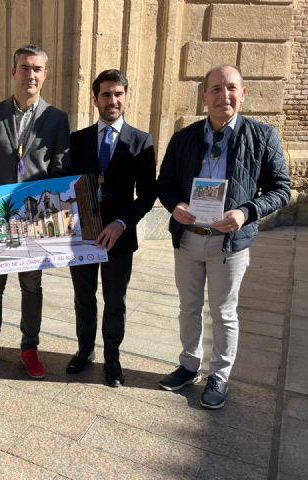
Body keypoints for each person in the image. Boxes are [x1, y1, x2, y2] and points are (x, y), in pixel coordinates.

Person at [157, 65, 291, 409]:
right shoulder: (184, 138)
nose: (223, 96)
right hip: (188, 238)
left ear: (243, 94)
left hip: (229, 242)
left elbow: (281, 189)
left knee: (223, 311)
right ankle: (189, 365)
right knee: (188, 307)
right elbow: (165, 184)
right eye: (215, 89)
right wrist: (175, 206)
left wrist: (246, 212)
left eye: (231, 88)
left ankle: (219, 374)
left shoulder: (263, 137)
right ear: (204, 96)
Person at [0, 44, 70, 379]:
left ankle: (29, 349)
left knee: (32, 287)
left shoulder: (56, 120)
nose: (30, 74)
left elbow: (59, 172)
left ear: (45, 75)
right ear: (14, 72)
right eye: (24, 68)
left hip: (34, 218)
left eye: (37, 69)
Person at [67, 69, 157, 386]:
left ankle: (112, 358)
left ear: (126, 97)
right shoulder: (76, 141)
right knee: (84, 298)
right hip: (82, 235)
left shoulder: (141, 141)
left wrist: (121, 223)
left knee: (114, 301)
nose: (112, 100)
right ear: (95, 99)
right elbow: (64, 185)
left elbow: (148, 195)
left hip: (119, 237)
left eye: (118, 94)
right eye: (106, 94)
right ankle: (84, 351)